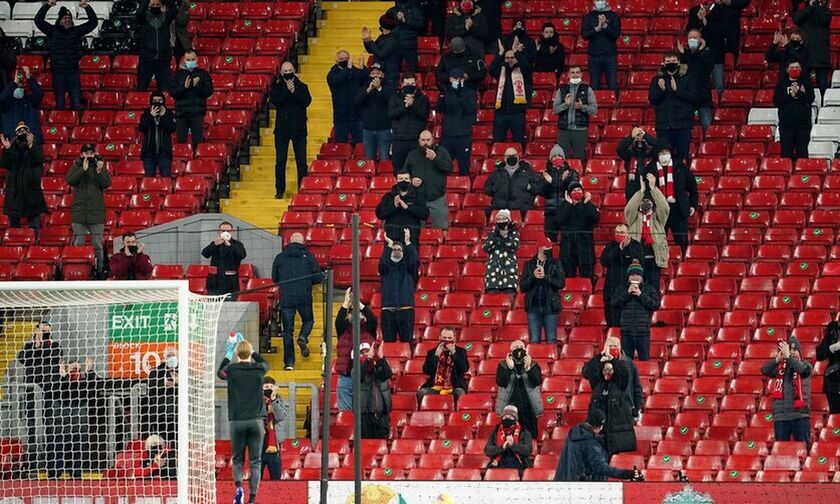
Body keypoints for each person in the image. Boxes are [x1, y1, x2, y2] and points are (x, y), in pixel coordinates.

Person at [217, 336, 268, 504]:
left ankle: (239, 487)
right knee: (255, 461)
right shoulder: (259, 369)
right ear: (250, 353)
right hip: (255, 421)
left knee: (237, 458)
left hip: (237, 421)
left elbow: (220, 372)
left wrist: (228, 352)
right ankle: (252, 498)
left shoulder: (231, 370)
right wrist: (253, 351)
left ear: (238, 354)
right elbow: (265, 363)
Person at [271, 232, 324, 370]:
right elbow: (318, 277)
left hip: (286, 298)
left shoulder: (280, 257)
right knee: (308, 320)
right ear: (303, 242)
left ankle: (289, 363)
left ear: (289, 241)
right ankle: (303, 336)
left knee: (287, 331)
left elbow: (274, 278)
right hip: (304, 296)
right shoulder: (309, 257)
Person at [16, 322, 63, 473]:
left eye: (48, 331)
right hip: (31, 393)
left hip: (48, 392)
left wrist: (40, 347)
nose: (46, 334)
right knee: (31, 429)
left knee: (50, 428)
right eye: (43, 331)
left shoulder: (55, 346)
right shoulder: (28, 347)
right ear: (37, 331)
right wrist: (35, 345)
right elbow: (22, 359)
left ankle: (52, 468)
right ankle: (31, 466)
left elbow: (51, 358)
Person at [34, 0, 98, 110]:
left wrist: (87, 7)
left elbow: (93, 22)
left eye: (69, 18)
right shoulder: (52, 31)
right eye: (64, 18)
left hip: (73, 72)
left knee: (76, 104)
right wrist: (48, 5)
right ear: (59, 20)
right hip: (58, 73)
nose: (67, 20)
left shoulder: (76, 31)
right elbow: (38, 20)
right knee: (60, 103)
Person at [554, 409, 641, 482]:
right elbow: (600, 467)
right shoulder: (591, 443)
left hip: (562, 481)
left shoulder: (573, 433)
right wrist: (627, 474)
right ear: (600, 426)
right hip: (577, 486)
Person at [51, 357, 101, 478]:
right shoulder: (62, 383)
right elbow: (56, 393)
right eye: (73, 369)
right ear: (68, 370)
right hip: (63, 425)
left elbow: (94, 390)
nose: (75, 372)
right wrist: (62, 377)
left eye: (78, 369)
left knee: (77, 455)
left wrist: (90, 371)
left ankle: (76, 477)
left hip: (79, 425)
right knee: (59, 453)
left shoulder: (84, 384)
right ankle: (55, 477)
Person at [66, 144, 111, 277]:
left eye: (91, 153)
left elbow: (106, 183)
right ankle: (76, 270)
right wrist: (83, 170)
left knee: (97, 245)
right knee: (78, 244)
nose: (88, 156)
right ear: (81, 155)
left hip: (96, 214)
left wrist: (100, 171)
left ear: (94, 154)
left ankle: (100, 271)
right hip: (79, 213)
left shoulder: (99, 167)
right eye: (86, 153)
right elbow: (70, 180)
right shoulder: (76, 166)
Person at [582, 351, 637, 456]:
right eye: (605, 370)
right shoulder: (597, 384)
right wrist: (598, 357)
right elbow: (587, 371)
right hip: (600, 429)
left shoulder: (620, 384)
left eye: (610, 370)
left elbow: (624, 372)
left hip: (616, 431)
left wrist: (613, 360)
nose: (607, 372)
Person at [647, 143, 698, 256]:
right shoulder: (650, 169)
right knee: (657, 242)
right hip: (658, 211)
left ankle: (684, 261)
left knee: (681, 241)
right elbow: (645, 191)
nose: (664, 155)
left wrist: (693, 205)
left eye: (666, 152)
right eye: (661, 153)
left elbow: (693, 188)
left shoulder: (681, 167)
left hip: (678, 210)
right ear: (657, 154)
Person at [271, 61, 311, 199]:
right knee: (280, 161)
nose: (288, 73)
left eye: (290, 70)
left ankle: (302, 188)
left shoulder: (302, 86)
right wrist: (287, 92)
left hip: (299, 130)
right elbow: (276, 101)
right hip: (282, 130)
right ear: (281, 73)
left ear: (294, 71)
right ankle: (279, 190)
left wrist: (294, 92)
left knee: (301, 161)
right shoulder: (277, 87)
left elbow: (306, 101)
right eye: (285, 71)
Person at [762, 336, 813, 446]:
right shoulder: (780, 367)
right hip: (781, 416)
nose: (792, 352)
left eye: (795, 350)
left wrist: (788, 357)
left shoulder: (806, 365)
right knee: (781, 452)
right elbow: (765, 370)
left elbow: (803, 371)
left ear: (800, 352)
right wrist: (777, 359)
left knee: (804, 450)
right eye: (789, 350)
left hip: (800, 416)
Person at [649, 53, 696, 166]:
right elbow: (653, 100)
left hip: (683, 126)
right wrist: (662, 90)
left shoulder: (687, 78)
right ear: (664, 63)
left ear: (679, 62)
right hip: (664, 127)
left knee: (682, 159)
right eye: (668, 61)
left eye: (673, 60)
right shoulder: (657, 80)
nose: (671, 63)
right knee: (664, 159)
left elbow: (693, 98)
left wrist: (677, 90)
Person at [335, 288, 377, 411]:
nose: (355, 314)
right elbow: (338, 321)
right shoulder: (343, 329)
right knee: (345, 414)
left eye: (358, 312)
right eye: (352, 312)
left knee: (363, 411)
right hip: (346, 376)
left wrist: (357, 303)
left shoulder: (369, 328)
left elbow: (373, 319)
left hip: (365, 377)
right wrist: (346, 302)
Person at [1, 123, 46, 236]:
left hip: (32, 194)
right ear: (16, 135)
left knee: (34, 229)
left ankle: (34, 245)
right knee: (14, 230)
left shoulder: (36, 148)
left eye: (25, 132)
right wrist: (7, 149)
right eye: (20, 132)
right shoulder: (11, 148)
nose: (22, 134)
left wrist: (31, 146)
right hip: (14, 195)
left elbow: (38, 160)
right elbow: (4, 163)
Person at [625, 174, 669, 290]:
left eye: (648, 201)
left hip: (654, 258)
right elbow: (629, 209)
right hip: (636, 259)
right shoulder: (633, 218)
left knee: (653, 289)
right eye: (643, 201)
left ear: (653, 204)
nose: (645, 203)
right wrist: (641, 192)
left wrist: (653, 189)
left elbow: (665, 208)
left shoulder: (658, 218)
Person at [611, 259, 661, 361]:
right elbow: (614, 303)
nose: (635, 277)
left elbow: (655, 304)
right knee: (626, 363)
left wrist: (640, 294)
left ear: (641, 276)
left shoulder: (649, 289)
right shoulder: (622, 288)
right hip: (626, 332)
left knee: (645, 361)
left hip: (643, 332)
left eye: (637, 275)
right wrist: (627, 294)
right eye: (632, 275)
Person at [520, 236, 566, 343]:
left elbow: (561, 283)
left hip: (550, 306)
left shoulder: (555, 263)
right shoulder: (529, 264)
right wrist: (533, 277)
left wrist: (546, 277)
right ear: (540, 248)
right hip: (533, 308)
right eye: (547, 247)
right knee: (534, 339)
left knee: (551, 339)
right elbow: (523, 286)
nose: (549, 249)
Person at [404, 130, 453, 229]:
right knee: (415, 231)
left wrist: (435, 158)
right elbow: (404, 174)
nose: (425, 142)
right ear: (419, 141)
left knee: (441, 230)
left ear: (433, 140)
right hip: (417, 199)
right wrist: (411, 180)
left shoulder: (442, 152)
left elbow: (449, 168)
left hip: (437, 198)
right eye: (423, 140)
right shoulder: (412, 154)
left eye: (428, 140)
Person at [495, 340, 543, 439]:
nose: (519, 349)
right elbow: (501, 383)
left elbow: (537, 382)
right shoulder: (503, 365)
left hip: (528, 408)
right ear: (510, 351)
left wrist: (529, 368)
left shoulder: (533, 365)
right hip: (509, 409)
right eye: (516, 347)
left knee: (530, 437)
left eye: (521, 347)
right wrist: (509, 368)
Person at [379, 230, 419, 344]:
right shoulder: (386, 268)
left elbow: (415, 261)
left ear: (403, 252)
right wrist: (388, 246)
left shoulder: (409, 268)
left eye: (399, 249)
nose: (396, 251)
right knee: (387, 344)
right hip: (387, 311)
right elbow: (382, 264)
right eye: (394, 249)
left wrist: (408, 242)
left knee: (407, 343)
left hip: (405, 310)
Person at [600, 224, 644, 327]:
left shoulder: (636, 245)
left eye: (622, 232)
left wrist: (628, 248)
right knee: (612, 319)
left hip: (628, 287)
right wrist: (619, 249)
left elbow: (639, 262)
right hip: (611, 288)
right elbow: (604, 262)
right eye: (617, 232)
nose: (619, 234)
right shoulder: (610, 246)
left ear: (628, 234)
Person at [552, 66, 597, 162]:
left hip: (580, 131)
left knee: (579, 159)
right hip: (564, 131)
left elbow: (594, 110)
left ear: (581, 74)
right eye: (572, 72)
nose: (575, 75)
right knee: (562, 159)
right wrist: (566, 105)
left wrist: (582, 107)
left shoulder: (588, 89)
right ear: (568, 75)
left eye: (577, 72)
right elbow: (555, 110)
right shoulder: (562, 89)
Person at [556, 181, 600, 280]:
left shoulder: (587, 205)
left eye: (579, 190)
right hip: (568, 249)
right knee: (567, 278)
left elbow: (596, 218)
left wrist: (587, 203)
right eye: (574, 190)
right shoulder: (563, 206)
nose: (577, 191)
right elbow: (558, 220)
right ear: (569, 194)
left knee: (587, 277)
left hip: (585, 249)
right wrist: (568, 204)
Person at [437, 68, 477, 176]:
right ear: (450, 79)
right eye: (455, 78)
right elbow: (439, 109)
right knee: (443, 168)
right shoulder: (446, 92)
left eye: (460, 78)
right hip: (447, 136)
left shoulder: (470, 93)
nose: (458, 80)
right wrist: (442, 95)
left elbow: (470, 110)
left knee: (464, 167)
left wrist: (460, 95)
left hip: (463, 136)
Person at [171, 51, 213, 150]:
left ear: (197, 59)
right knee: (181, 143)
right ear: (184, 60)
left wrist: (197, 86)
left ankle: (197, 163)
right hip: (181, 114)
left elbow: (209, 92)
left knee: (198, 143)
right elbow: (173, 93)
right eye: (188, 59)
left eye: (193, 59)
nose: (191, 61)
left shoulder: (203, 74)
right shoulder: (177, 75)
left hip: (197, 114)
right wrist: (184, 87)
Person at [488, 47, 532, 143]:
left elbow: (527, 67)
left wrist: (517, 52)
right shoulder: (501, 71)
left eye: (512, 57)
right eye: (507, 58)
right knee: (497, 142)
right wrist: (500, 53)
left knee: (519, 142)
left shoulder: (523, 71)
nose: (510, 60)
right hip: (501, 112)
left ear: (516, 58)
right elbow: (491, 70)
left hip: (518, 113)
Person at [484, 147, 540, 220]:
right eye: (508, 156)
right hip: (500, 208)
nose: (511, 158)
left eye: (514, 155)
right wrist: (495, 187)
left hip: (522, 208)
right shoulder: (497, 173)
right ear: (504, 158)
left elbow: (539, 187)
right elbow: (487, 188)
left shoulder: (528, 171)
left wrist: (529, 187)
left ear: (518, 157)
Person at [774, 60, 815, 162]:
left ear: (801, 69)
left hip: (803, 126)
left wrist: (799, 93)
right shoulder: (781, 83)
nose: (795, 70)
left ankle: (802, 176)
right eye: (792, 68)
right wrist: (791, 95)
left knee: (802, 154)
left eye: (797, 67)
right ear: (787, 69)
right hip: (786, 126)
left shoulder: (806, 82)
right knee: (786, 155)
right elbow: (777, 101)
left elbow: (810, 99)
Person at [375, 170, 429, 245]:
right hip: (392, 235)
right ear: (396, 180)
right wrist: (393, 206)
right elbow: (379, 214)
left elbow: (425, 215)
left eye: (406, 179)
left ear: (410, 180)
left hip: (411, 235)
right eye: (401, 179)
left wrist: (408, 207)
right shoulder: (388, 196)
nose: (403, 181)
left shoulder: (418, 196)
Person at [388, 73, 429, 173]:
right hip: (399, 140)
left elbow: (424, 115)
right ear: (402, 84)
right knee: (399, 171)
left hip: (415, 140)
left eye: (412, 83)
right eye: (407, 83)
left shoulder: (423, 98)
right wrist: (405, 106)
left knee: (417, 171)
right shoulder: (395, 97)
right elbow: (391, 114)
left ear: (416, 83)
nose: (410, 85)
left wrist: (413, 104)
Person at [416, 327, 468, 405]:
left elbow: (463, 369)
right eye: (444, 338)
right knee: (422, 393)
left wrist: (453, 353)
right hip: (434, 387)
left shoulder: (461, 352)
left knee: (460, 393)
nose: (447, 340)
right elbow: (426, 371)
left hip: (454, 387)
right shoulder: (432, 352)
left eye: (449, 338)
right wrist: (436, 356)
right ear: (439, 338)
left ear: (454, 338)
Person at [538, 146, 580, 241]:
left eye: (559, 156)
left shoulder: (571, 173)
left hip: (567, 211)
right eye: (554, 156)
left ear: (564, 158)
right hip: (550, 213)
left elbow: (575, 190)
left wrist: (564, 181)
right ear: (550, 159)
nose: (557, 158)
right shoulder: (545, 173)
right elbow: (541, 192)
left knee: (568, 241)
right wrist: (547, 182)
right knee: (548, 242)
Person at [792, 0, 830, 103]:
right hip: (805, 58)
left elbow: (825, 19)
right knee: (802, 87)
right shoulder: (803, 11)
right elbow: (796, 19)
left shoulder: (825, 10)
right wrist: (811, 6)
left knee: (823, 87)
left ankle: (823, 110)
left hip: (821, 58)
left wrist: (816, 5)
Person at [327, 50, 367, 145]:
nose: (344, 60)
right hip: (341, 117)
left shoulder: (355, 70)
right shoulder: (332, 74)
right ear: (336, 61)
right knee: (341, 145)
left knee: (360, 145)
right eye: (341, 59)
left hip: (357, 116)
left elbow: (364, 80)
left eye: (346, 58)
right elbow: (337, 81)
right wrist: (348, 69)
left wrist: (362, 67)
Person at [136, 0, 177, 91]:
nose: (155, 6)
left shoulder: (166, 17)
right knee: (141, 88)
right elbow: (139, 13)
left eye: (157, 5)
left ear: (162, 5)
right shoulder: (143, 19)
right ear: (148, 6)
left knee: (165, 89)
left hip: (163, 60)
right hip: (146, 59)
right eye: (153, 5)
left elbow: (174, 10)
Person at [679, 29, 715, 133]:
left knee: (707, 128)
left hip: (703, 96)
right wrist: (682, 55)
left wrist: (700, 51)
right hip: (687, 97)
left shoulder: (707, 53)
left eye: (695, 37)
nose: (692, 40)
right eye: (690, 38)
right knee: (686, 128)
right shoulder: (684, 54)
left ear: (700, 40)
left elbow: (708, 66)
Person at [602, 335, 644, 422]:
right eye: (610, 346)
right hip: (606, 408)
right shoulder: (601, 362)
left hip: (626, 407)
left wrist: (638, 407)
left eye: (616, 345)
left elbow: (636, 386)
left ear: (620, 347)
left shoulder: (629, 363)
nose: (613, 348)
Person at [355, 63, 392, 161]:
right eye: (373, 74)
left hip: (384, 129)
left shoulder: (389, 87)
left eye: (378, 73)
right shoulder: (365, 87)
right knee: (369, 160)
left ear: (383, 75)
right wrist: (368, 90)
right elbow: (356, 101)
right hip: (368, 130)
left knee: (385, 158)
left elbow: (390, 101)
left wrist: (379, 88)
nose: (375, 76)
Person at [484, 405, 533, 478]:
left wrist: (513, 445)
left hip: (518, 464)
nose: (507, 419)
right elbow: (487, 450)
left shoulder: (524, 432)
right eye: (505, 417)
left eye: (510, 417)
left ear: (515, 419)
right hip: (498, 463)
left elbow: (528, 450)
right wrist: (502, 447)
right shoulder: (495, 431)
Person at [140, 347, 178, 442]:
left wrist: (178, 383)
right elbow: (150, 393)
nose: (171, 357)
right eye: (169, 356)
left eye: (173, 355)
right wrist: (163, 385)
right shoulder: (155, 373)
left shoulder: (185, 372)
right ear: (164, 358)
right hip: (160, 414)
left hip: (178, 414)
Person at [581, 0, 621, 91]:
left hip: (610, 55)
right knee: (594, 85)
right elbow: (584, 35)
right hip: (594, 55)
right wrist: (597, 29)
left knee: (613, 85)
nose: (600, 1)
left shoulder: (614, 17)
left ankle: (614, 104)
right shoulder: (588, 17)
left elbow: (615, 35)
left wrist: (606, 26)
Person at [201, 222, 247, 298]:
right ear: (219, 232)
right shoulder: (215, 243)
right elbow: (205, 254)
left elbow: (242, 255)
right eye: (223, 231)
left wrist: (230, 245)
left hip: (231, 285)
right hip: (214, 284)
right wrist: (213, 245)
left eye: (228, 231)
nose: (225, 233)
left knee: (230, 308)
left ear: (232, 232)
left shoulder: (237, 244)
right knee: (213, 308)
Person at [358, 340, 393, 439]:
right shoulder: (357, 367)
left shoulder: (380, 366)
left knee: (381, 445)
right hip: (365, 416)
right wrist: (368, 359)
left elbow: (388, 374)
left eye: (368, 351)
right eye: (363, 352)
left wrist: (381, 357)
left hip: (382, 415)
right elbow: (358, 376)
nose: (366, 354)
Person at [0, 67, 44, 144]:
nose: (19, 89)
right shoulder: (7, 104)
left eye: (21, 86)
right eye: (16, 87)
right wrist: (14, 83)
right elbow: (2, 98)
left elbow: (39, 93)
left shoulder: (31, 101)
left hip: (32, 143)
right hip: (13, 144)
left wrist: (29, 78)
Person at [139, 91, 176, 177]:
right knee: (149, 181)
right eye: (155, 101)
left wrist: (164, 116)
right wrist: (150, 116)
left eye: (160, 101)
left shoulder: (168, 113)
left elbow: (172, 129)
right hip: (148, 154)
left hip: (164, 153)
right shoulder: (146, 113)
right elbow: (142, 128)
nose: (157, 103)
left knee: (166, 179)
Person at [105, 434, 175, 479]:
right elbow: (135, 473)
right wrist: (155, 466)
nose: (157, 451)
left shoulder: (169, 458)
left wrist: (163, 467)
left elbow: (174, 475)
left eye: (160, 447)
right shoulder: (142, 457)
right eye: (154, 448)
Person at [484, 209, 520, 294]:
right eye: (499, 219)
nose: (501, 221)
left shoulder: (514, 234)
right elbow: (486, 247)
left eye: (503, 219)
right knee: (492, 298)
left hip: (509, 271)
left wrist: (505, 236)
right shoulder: (491, 234)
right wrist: (496, 236)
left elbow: (514, 247)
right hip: (493, 270)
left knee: (509, 296)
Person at [616, 127, 657, 200]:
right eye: (637, 138)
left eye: (642, 138)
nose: (640, 141)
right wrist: (631, 137)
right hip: (632, 188)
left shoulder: (651, 154)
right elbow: (619, 149)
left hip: (649, 187)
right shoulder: (629, 154)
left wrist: (645, 136)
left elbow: (659, 146)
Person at [261, 377, 289, 480]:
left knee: (276, 479)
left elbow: (280, 416)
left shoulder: (279, 402)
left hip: (274, 445)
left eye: (271, 387)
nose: (268, 389)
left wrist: (273, 400)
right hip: (259, 445)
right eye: (266, 387)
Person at [388, 0, 425, 74]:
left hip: (410, 45)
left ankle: (411, 85)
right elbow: (385, 26)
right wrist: (397, 20)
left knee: (412, 71)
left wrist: (405, 21)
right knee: (393, 71)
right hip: (395, 45)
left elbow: (420, 24)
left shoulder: (415, 10)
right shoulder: (392, 11)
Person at [362, 16, 400, 88]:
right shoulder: (382, 37)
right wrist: (366, 41)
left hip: (389, 74)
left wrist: (370, 42)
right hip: (381, 71)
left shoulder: (393, 39)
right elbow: (371, 50)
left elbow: (381, 54)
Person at [816, 315, 840, 414]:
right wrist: (833, 348)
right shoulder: (832, 330)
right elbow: (820, 355)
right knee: (836, 417)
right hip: (833, 383)